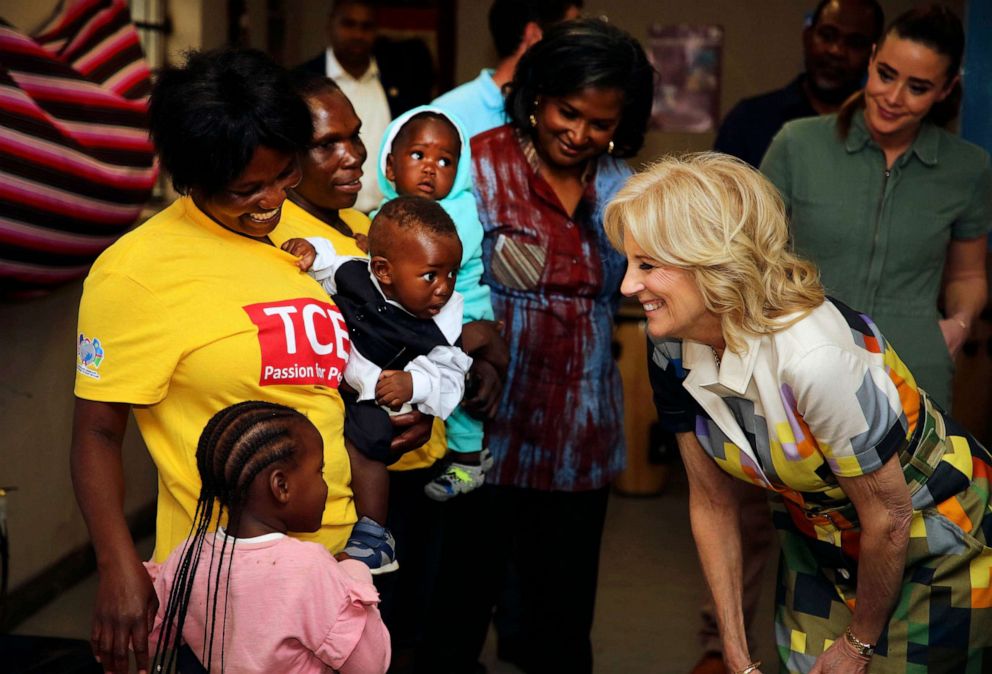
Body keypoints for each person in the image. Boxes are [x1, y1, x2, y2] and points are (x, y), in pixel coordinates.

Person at [70, 49, 431, 674]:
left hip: (343, 563)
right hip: (227, 591)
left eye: (284, 175)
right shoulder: (139, 273)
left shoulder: (309, 245)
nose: (270, 202)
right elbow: (98, 432)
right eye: (247, 189)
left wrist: (400, 413)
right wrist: (118, 566)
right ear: (195, 179)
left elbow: (332, 376)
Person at [608, 152, 992, 674]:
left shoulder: (815, 358)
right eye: (629, 263)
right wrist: (734, 649)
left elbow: (890, 516)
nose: (628, 286)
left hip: (938, 536)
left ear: (714, 262)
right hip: (821, 541)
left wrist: (858, 645)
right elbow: (713, 504)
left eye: (648, 265)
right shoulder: (671, 348)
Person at [427, 18, 653, 674]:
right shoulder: (481, 162)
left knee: (561, 623)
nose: (580, 134)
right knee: (458, 612)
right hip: (487, 426)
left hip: (582, 430)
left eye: (600, 123)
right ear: (538, 95)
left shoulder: (618, 186)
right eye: (567, 112)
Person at [761, 4, 992, 411]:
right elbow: (753, 255)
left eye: (918, 87)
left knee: (909, 478)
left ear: (945, 88)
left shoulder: (968, 167)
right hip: (801, 360)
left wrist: (958, 325)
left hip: (915, 369)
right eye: (886, 74)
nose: (893, 97)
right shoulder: (797, 144)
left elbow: (969, 273)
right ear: (871, 59)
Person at [282, 197, 472, 572]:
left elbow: (452, 374)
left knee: (368, 444)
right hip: (328, 384)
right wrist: (308, 249)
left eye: (452, 273)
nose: (444, 288)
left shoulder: (442, 320)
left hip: (373, 396)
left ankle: (374, 534)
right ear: (383, 270)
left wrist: (414, 384)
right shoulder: (355, 273)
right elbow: (326, 264)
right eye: (432, 275)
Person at [148, 401, 390, 673]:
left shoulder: (189, 556)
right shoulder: (309, 567)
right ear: (281, 487)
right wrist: (355, 571)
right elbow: (371, 664)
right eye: (319, 472)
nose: (325, 486)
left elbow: (153, 632)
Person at [374, 106, 495, 500]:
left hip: (464, 313)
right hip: (427, 315)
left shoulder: (458, 213)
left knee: (457, 383)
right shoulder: (383, 214)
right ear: (390, 167)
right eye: (418, 155)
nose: (430, 168)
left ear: (459, 173)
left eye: (445, 160)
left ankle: (470, 458)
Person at [299, 0, 434, 213]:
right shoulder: (302, 81)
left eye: (366, 27)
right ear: (330, 24)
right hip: (320, 216)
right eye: (348, 24)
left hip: (390, 213)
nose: (357, 34)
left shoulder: (402, 80)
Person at [714, 0, 883, 168]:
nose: (836, 51)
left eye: (855, 43)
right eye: (827, 35)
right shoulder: (749, 120)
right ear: (807, 36)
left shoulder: (884, 126)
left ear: (873, 53)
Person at [431, 0, 582, 140]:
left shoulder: (556, 111)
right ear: (534, 36)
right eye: (570, 33)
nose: (579, 45)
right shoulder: (450, 113)